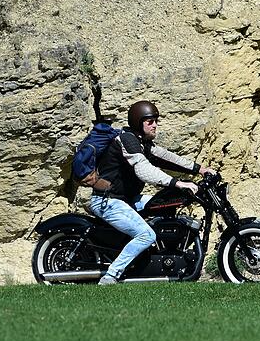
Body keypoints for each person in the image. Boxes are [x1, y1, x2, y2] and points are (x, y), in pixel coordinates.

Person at [90, 100, 215, 285]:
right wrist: (177, 183)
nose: (155, 124)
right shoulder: (127, 140)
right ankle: (111, 276)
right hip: (108, 201)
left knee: (164, 206)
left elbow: (168, 158)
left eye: (156, 120)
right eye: (150, 121)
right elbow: (144, 170)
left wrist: (200, 169)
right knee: (146, 235)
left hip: (127, 199)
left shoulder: (144, 143)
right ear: (138, 123)